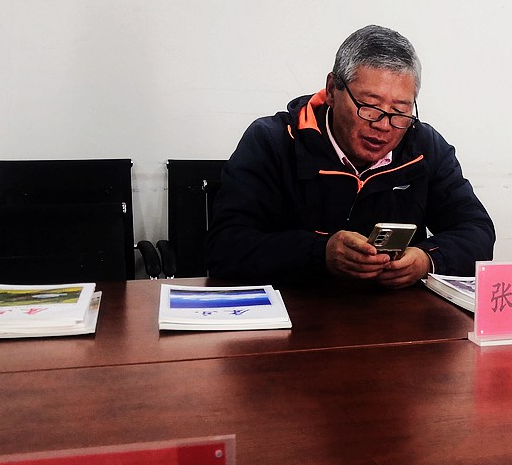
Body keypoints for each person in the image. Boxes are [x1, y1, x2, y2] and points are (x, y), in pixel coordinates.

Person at [205, 25, 495, 287]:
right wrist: (321, 253)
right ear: (332, 90)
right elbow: (225, 247)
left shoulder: (424, 147)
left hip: (393, 316)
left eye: (400, 111)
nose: (383, 125)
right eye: (369, 106)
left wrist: (426, 259)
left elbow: (477, 231)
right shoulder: (274, 141)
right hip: (295, 315)